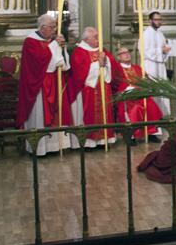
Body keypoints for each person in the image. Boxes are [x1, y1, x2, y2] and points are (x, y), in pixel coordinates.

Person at [16, 13, 74, 156]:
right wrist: (55, 45)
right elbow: (40, 62)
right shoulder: (30, 42)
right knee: (40, 115)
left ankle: (55, 146)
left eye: (54, 27)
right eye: (52, 27)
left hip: (55, 81)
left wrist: (62, 48)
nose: (54, 30)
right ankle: (40, 148)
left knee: (58, 114)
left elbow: (62, 63)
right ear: (42, 28)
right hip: (39, 86)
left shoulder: (52, 41)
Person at [69, 27, 115, 148]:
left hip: (103, 86)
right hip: (88, 89)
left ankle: (103, 140)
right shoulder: (79, 51)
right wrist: (97, 64)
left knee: (105, 112)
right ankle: (89, 142)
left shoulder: (101, 50)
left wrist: (106, 62)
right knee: (89, 114)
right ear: (86, 38)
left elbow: (111, 64)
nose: (98, 39)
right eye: (95, 37)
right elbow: (79, 73)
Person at [110, 47, 164, 143]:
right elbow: (114, 84)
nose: (127, 54)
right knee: (135, 109)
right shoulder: (117, 69)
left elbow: (146, 80)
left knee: (151, 105)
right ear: (118, 57)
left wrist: (146, 85)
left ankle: (151, 133)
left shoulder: (137, 68)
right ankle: (131, 135)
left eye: (127, 52)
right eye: (123, 53)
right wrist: (127, 89)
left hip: (140, 94)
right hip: (125, 96)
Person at [142, 11, 171, 115]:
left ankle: (163, 115)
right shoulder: (146, 34)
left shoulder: (160, 34)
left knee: (162, 91)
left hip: (160, 66)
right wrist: (161, 51)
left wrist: (165, 51)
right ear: (150, 21)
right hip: (151, 66)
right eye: (156, 20)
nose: (159, 22)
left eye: (160, 19)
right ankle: (154, 116)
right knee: (153, 92)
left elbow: (163, 49)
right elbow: (144, 51)